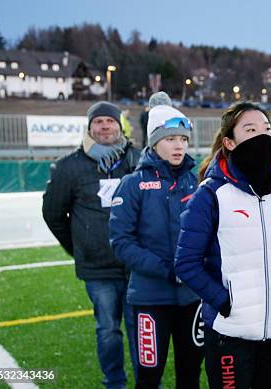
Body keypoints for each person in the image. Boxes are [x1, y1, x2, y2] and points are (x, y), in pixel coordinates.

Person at [174, 102, 271, 389]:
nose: (263, 135)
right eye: (251, 129)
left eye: (267, 128)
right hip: (229, 334)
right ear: (229, 142)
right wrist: (224, 301)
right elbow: (186, 263)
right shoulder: (210, 194)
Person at [42, 101, 141, 389]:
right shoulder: (69, 167)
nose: (105, 126)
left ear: (118, 125)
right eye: (98, 122)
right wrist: (79, 247)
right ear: (89, 128)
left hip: (135, 265)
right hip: (98, 269)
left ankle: (146, 382)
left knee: (140, 330)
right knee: (108, 330)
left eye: (110, 121)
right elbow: (53, 213)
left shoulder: (137, 160)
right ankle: (115, 382)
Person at [109, 93, 204, 388]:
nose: (179, 145)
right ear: (154, 141)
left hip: (192, 299)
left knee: (190, 375)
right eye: (171, 138)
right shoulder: (132, 184)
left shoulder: (196, 180)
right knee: (149, 378)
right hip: (150, 300)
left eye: (183, 139)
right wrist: (167, 269)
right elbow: (121, 241)